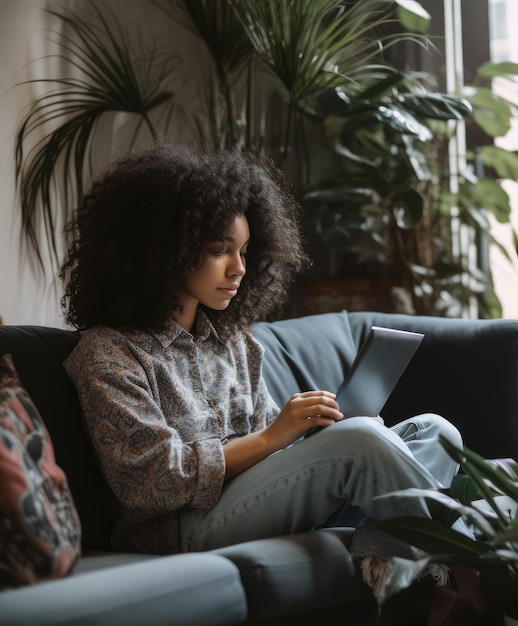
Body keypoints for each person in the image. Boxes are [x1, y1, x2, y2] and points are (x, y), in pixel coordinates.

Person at [60, 143, 464, 603]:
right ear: (161, 251)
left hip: (258, 500)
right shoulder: (109, 352)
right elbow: (152, 482)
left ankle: (383, 558)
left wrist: (319, 430)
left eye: (246, 251)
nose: (239, 269)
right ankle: (468, 570)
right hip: (184, 529)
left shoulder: (235, 342)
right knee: (363, 443)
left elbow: (273, 453)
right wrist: (279, 437)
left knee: (436, 430)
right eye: (220, 251)